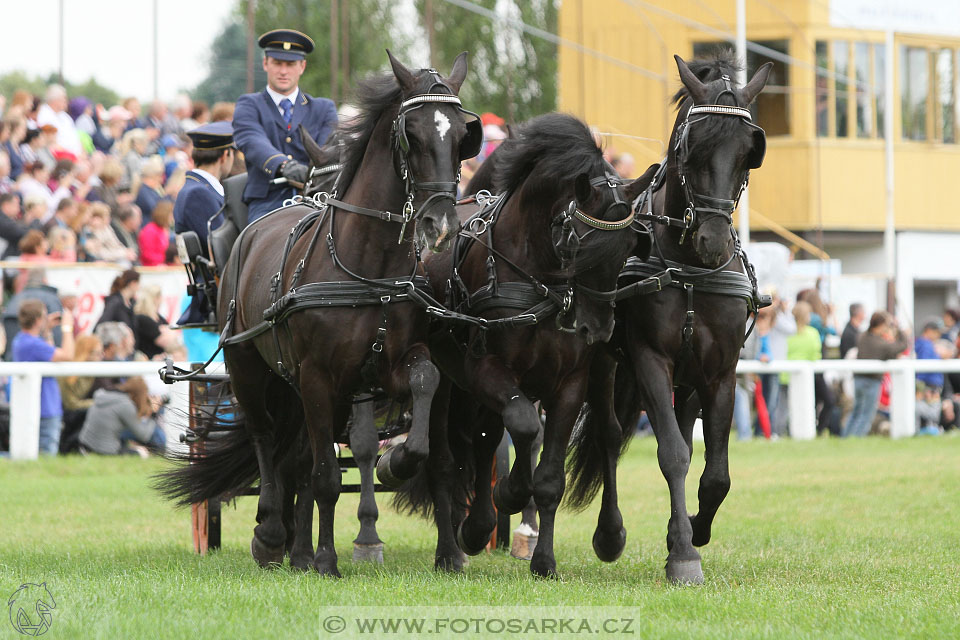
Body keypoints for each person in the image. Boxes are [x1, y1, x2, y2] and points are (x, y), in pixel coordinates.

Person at [233, 28, 337, 223]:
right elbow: (252, 140)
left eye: (290, 64)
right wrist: (284, 165)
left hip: (315, 198)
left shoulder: (323, 108)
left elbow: (327, 150)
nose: (283, 71)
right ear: (265, 63)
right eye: (277, 63)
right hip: (267, 201)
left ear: (302, 66)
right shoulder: (249, 105)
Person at [11, 300, 75, 454]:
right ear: (38, 320)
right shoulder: (33, 344)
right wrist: (67, 327)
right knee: (46, 456)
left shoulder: (21, 340)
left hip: (41, 406)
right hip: (46, 408)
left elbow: (49, 351)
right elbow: (68, 355)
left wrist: (47, 331)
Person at [842, 311, 909, 438]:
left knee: (856, 411)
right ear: (882, 324)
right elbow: (901, 346)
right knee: (866, 414)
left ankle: (846, 437)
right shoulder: (879, 343)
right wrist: (899, 329)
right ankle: (856, 439)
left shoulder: (862, 337)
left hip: (858, 380)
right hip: (871, 382)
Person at [78, 377, 166, 456]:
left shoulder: (105, 395)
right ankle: (162, 453)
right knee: (144, 451)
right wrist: (153, 414)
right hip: (104, 451)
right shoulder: (125, 405)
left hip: (85, 445)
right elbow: (143, 435)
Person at [58, 334, 104, 454]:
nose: (101, 356)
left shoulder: (90, 372)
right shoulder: (69, 373)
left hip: (76, 410)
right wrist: (95, 403)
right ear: (86, 353)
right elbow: (71, 404)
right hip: (67, 412)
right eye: (98, 353)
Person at [95, 269, 140, 338]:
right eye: (138, 284)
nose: (139, 288)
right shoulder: (115, 302)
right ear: (132, 283)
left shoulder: (131, 303)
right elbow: (101, 325)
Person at [139, 200, 173, 266]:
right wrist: (167, 259)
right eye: (171, 215)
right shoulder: (150, 230)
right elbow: (147, 254)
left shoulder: (163, 230)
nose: (173, 218)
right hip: (151, 266)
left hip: (163, 264)